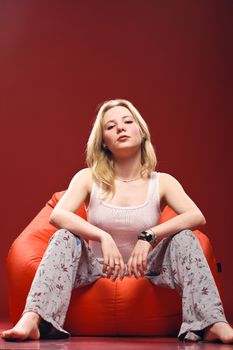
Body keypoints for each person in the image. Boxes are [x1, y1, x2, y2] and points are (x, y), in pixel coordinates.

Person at [1, 99, 233, 343]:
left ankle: (212, 323)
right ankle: (33, 319)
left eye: (127, 122)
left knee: (185, 237)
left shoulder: (162, 181)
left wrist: (149, 236)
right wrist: (101, 236)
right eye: (110, 127)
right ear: (103, 141)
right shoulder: (87, 178)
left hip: (147, 269)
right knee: (63, 236)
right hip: (95, 268)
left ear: (141, 132)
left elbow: (196, 217)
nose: (120, 128)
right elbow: (58, 215)